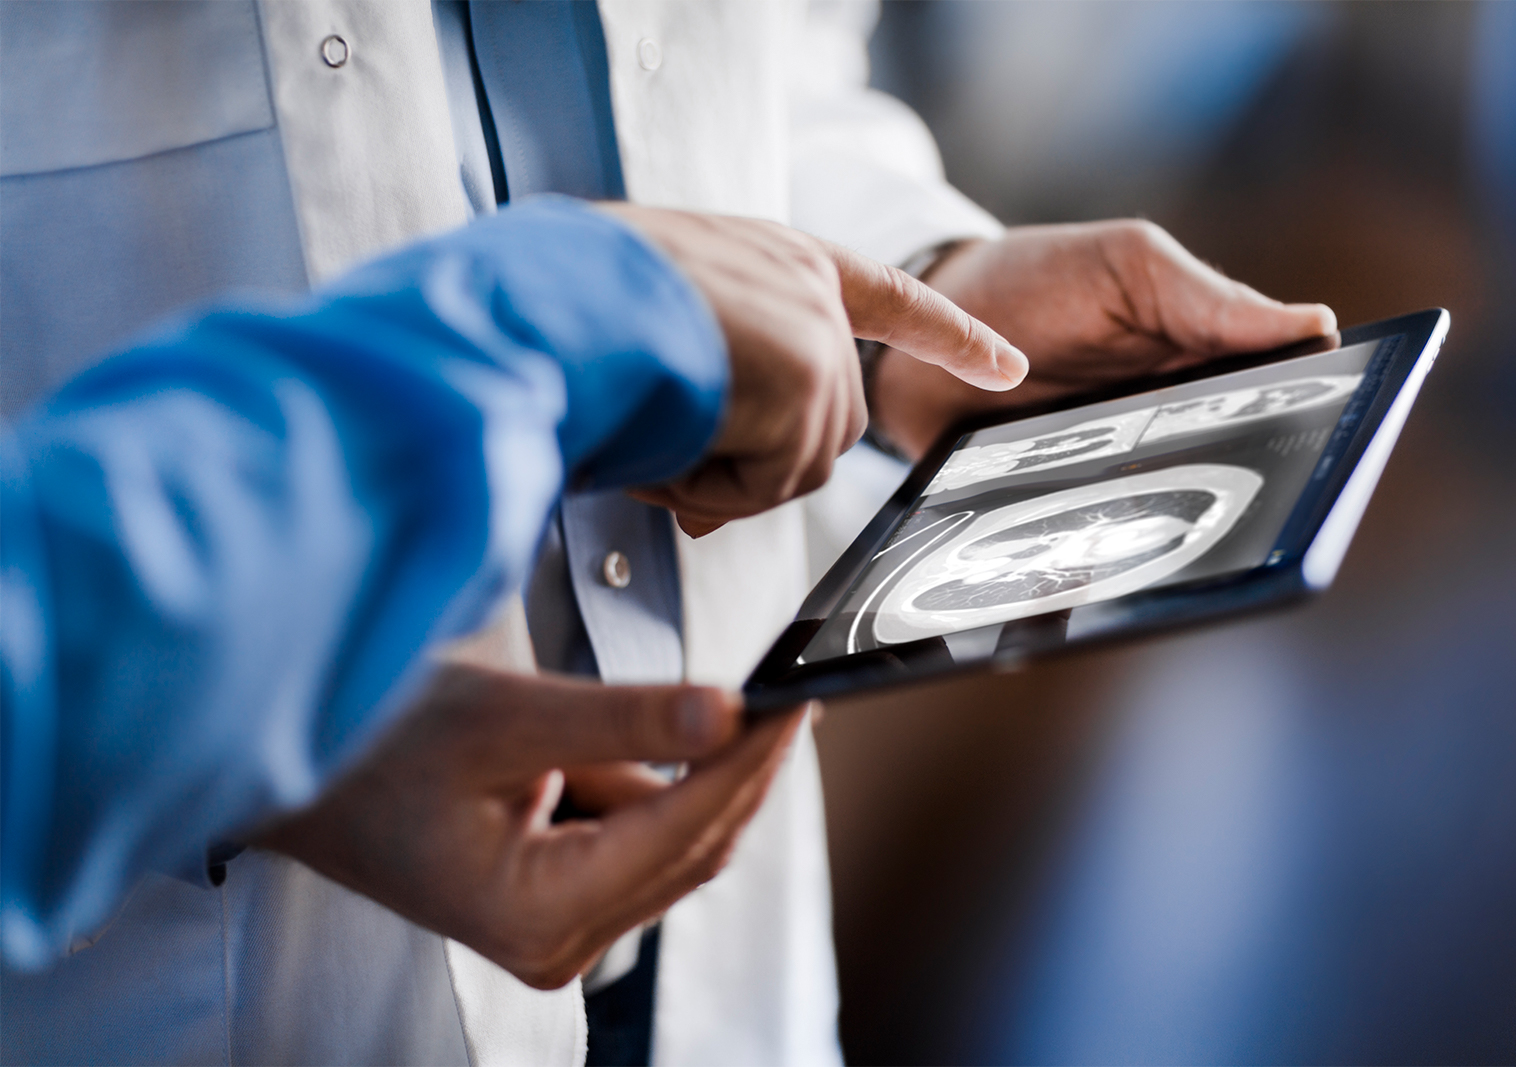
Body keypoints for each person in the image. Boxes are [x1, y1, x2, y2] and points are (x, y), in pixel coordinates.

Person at [0, 3, 1334, 1063]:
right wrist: (242, 731)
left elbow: (770, 50)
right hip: (200, 971)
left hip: (715, 975)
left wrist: (903, 297)